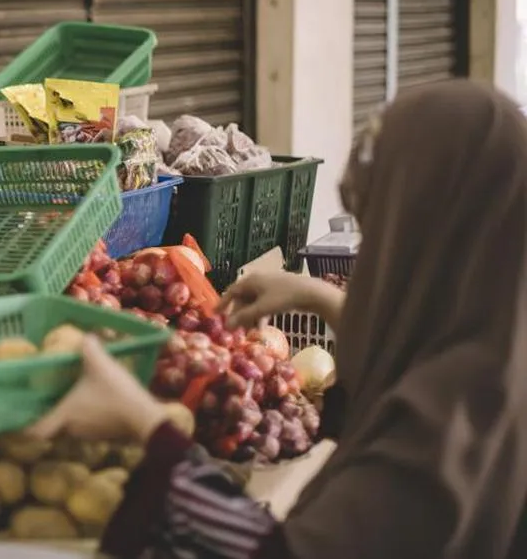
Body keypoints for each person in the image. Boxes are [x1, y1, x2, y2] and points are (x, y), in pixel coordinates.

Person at [31, 80, 527, 558]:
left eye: (382, 227)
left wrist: (147, 429)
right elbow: (413, 345)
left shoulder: (445, 422)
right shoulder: (491, 334)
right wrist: (320, 298)